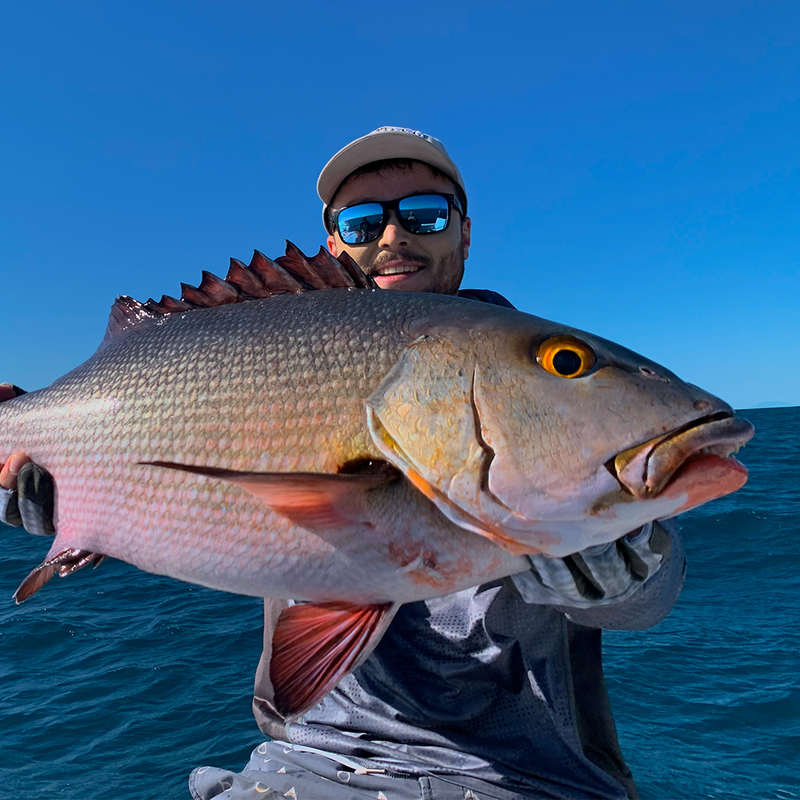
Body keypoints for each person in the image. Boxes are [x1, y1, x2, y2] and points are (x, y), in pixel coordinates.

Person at [1, 127, 686, 800]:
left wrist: (619, 574)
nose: (393, 237)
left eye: (424, 213)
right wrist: (73, 504)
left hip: (529, 777)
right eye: (362, 222)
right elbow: (172, 496)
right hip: (304, 763)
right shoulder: (288, 331)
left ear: (465, 232)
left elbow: (647, 598)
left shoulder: (520, 368)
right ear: (334, 243)